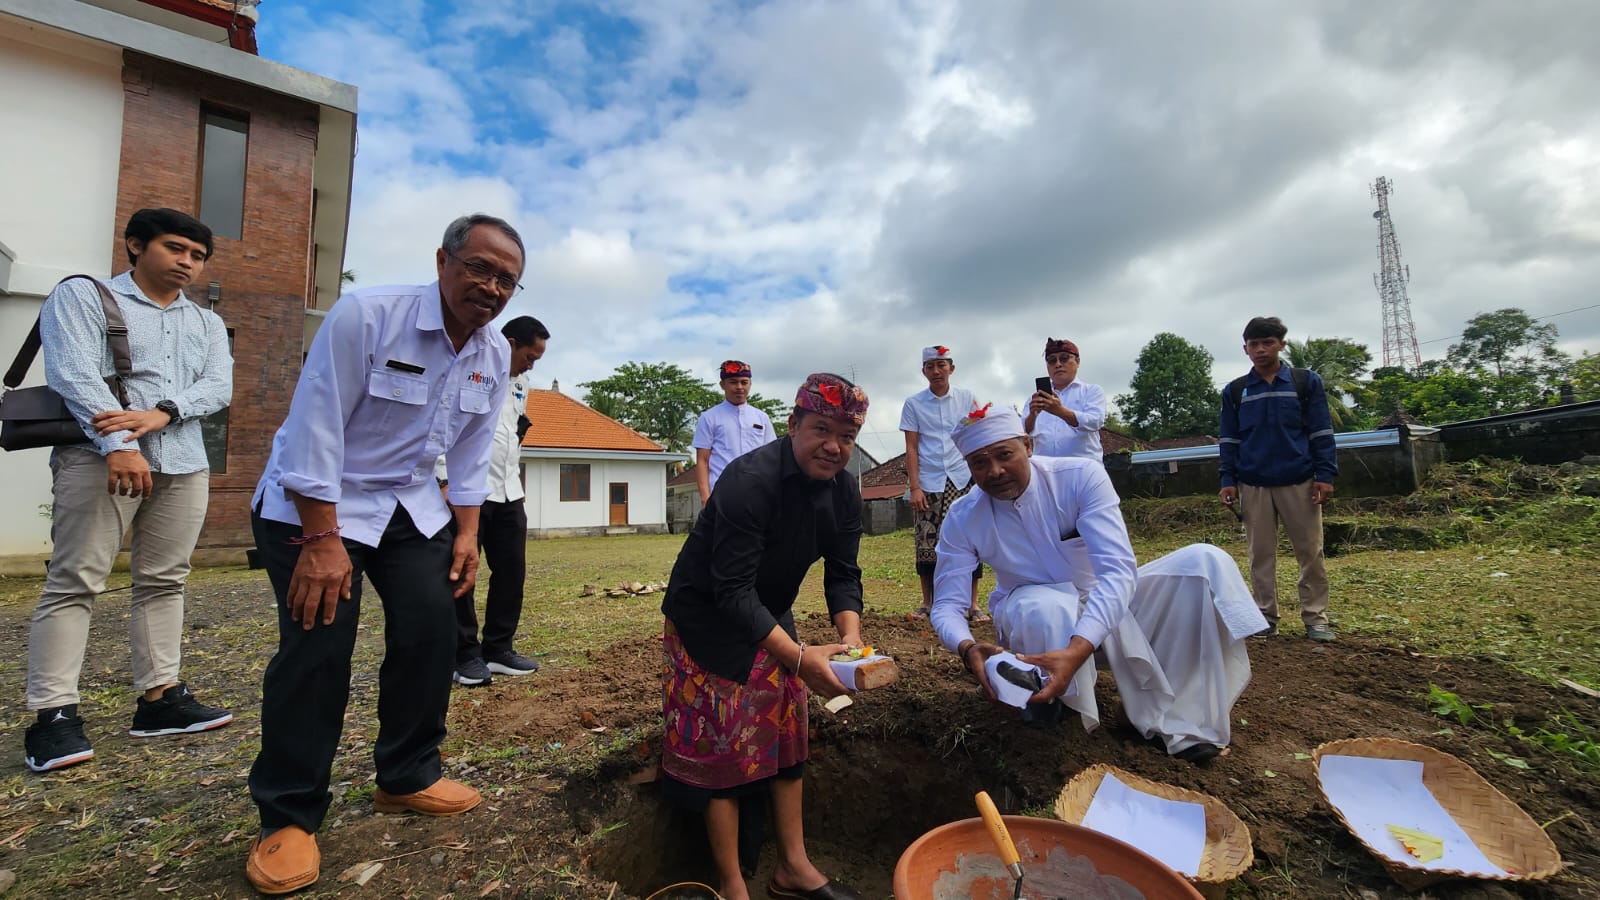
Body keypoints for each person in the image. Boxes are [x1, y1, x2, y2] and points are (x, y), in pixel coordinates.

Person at [243, 214, 521, 895]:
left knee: (433, 628)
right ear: (443, 261)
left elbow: (470, 452)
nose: (491, 287)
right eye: (479, 267)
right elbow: (313, 426)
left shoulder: (493, 353)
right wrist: (321, 540)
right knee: (319, 644)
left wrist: (465, 533)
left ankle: (407, 774)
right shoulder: (368, 315)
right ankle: (289, 813)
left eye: (507, 279)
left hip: (406, 503)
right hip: (315, 500)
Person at [931, 405, 1266, 763]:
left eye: (1004, 455)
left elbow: (1118, 571)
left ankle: (1177, 718)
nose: (995, 471)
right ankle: (1051, 704)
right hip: (1032, 623)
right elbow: (947, 604)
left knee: (1202, 563)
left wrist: (1079, 648)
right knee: (1043, 605)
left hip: (1104, 604)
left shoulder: (1079, 477)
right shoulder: (963, 516)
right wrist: (966, 647)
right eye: (979, 463)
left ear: (1027, 446)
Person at [23, 208, 233, 774]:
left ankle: (160, 698)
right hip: (98, 456)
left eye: (197, 255)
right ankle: (53, 714)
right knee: (75, 580)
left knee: (165, 579)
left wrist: (165, 412)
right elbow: (73, 373)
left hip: (184, 461)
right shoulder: (85, 295)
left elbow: (218, 386)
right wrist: (117, 442)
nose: (187, 262)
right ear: (136, 245)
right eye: (175, 248)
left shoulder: (207, 322)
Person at [659, 373, 871, 900]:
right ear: (793, 424)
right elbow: (730, 590)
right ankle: (733, 884)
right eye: (822, 429)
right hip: (707, 614)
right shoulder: (749, 480)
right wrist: (798, 657)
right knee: (725, 744)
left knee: (787, 731)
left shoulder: (845, 490)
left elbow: (844, 572)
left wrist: (851, 641)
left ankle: (793, 867)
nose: (835, 446)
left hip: (769, 610)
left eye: (847, 435)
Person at [437, 315, 550, 687]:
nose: (531, 366)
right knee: (462, 571)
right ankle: (464, 655)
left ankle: (498, 648)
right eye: (529, 357)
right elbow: (444, 425)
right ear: (510, 344)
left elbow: (512, 434)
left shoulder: (521, 384)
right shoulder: (468, 370)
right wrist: (443, 479)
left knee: (512, 572)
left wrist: (515, 478)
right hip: (468, 490)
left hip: (508, 491)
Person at [1218, 316, 1338, 642]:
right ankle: (1264, 617)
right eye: (1254, 344)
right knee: (1260, 555)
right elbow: (1229, 440)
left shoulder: (1304, 382)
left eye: (1267, 343)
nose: (1260, 349)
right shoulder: (1236, 391)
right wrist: (1227, 480)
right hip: (1253, 484)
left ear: (1281, 345)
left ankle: (1315, 618)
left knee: (1310, 552)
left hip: (1299, 480)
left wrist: (1325, 475)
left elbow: (1321, 431)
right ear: (1245, 349)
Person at [899, 345, 983, 621]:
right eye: (930, 366)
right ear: (923, 371)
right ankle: (928, 603)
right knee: (926, 541)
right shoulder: (913, 404)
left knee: (968, 539)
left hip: (961, 478)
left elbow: (976, 436)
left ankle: (973, 604)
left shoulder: (967, 399)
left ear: (951, 368)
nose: (936, 371)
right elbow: (911, 447)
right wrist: (914, 487)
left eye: (941, 365)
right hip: (929, 480)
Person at [692, 359, 777, 504]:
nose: (739, 387)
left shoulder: (762, 418)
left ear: (750, 384)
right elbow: (702, 461)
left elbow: (772, 458)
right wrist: (706, 498)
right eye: (733, 382)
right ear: (722, 385)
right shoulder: (709, 418)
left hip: (758, 493)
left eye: (744, 382)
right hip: (721, 494)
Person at [1024, 337, 1107, 462]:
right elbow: (1023, 432)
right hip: (1045, 469)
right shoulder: (1035, 399)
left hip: (1083, 468)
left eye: (1064, 358)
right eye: (1052, 360)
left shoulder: (1092, 391)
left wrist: (1060, 411)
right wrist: (1032, 415)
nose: (1058, 364)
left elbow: (1095, 422)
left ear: (1077, 361)